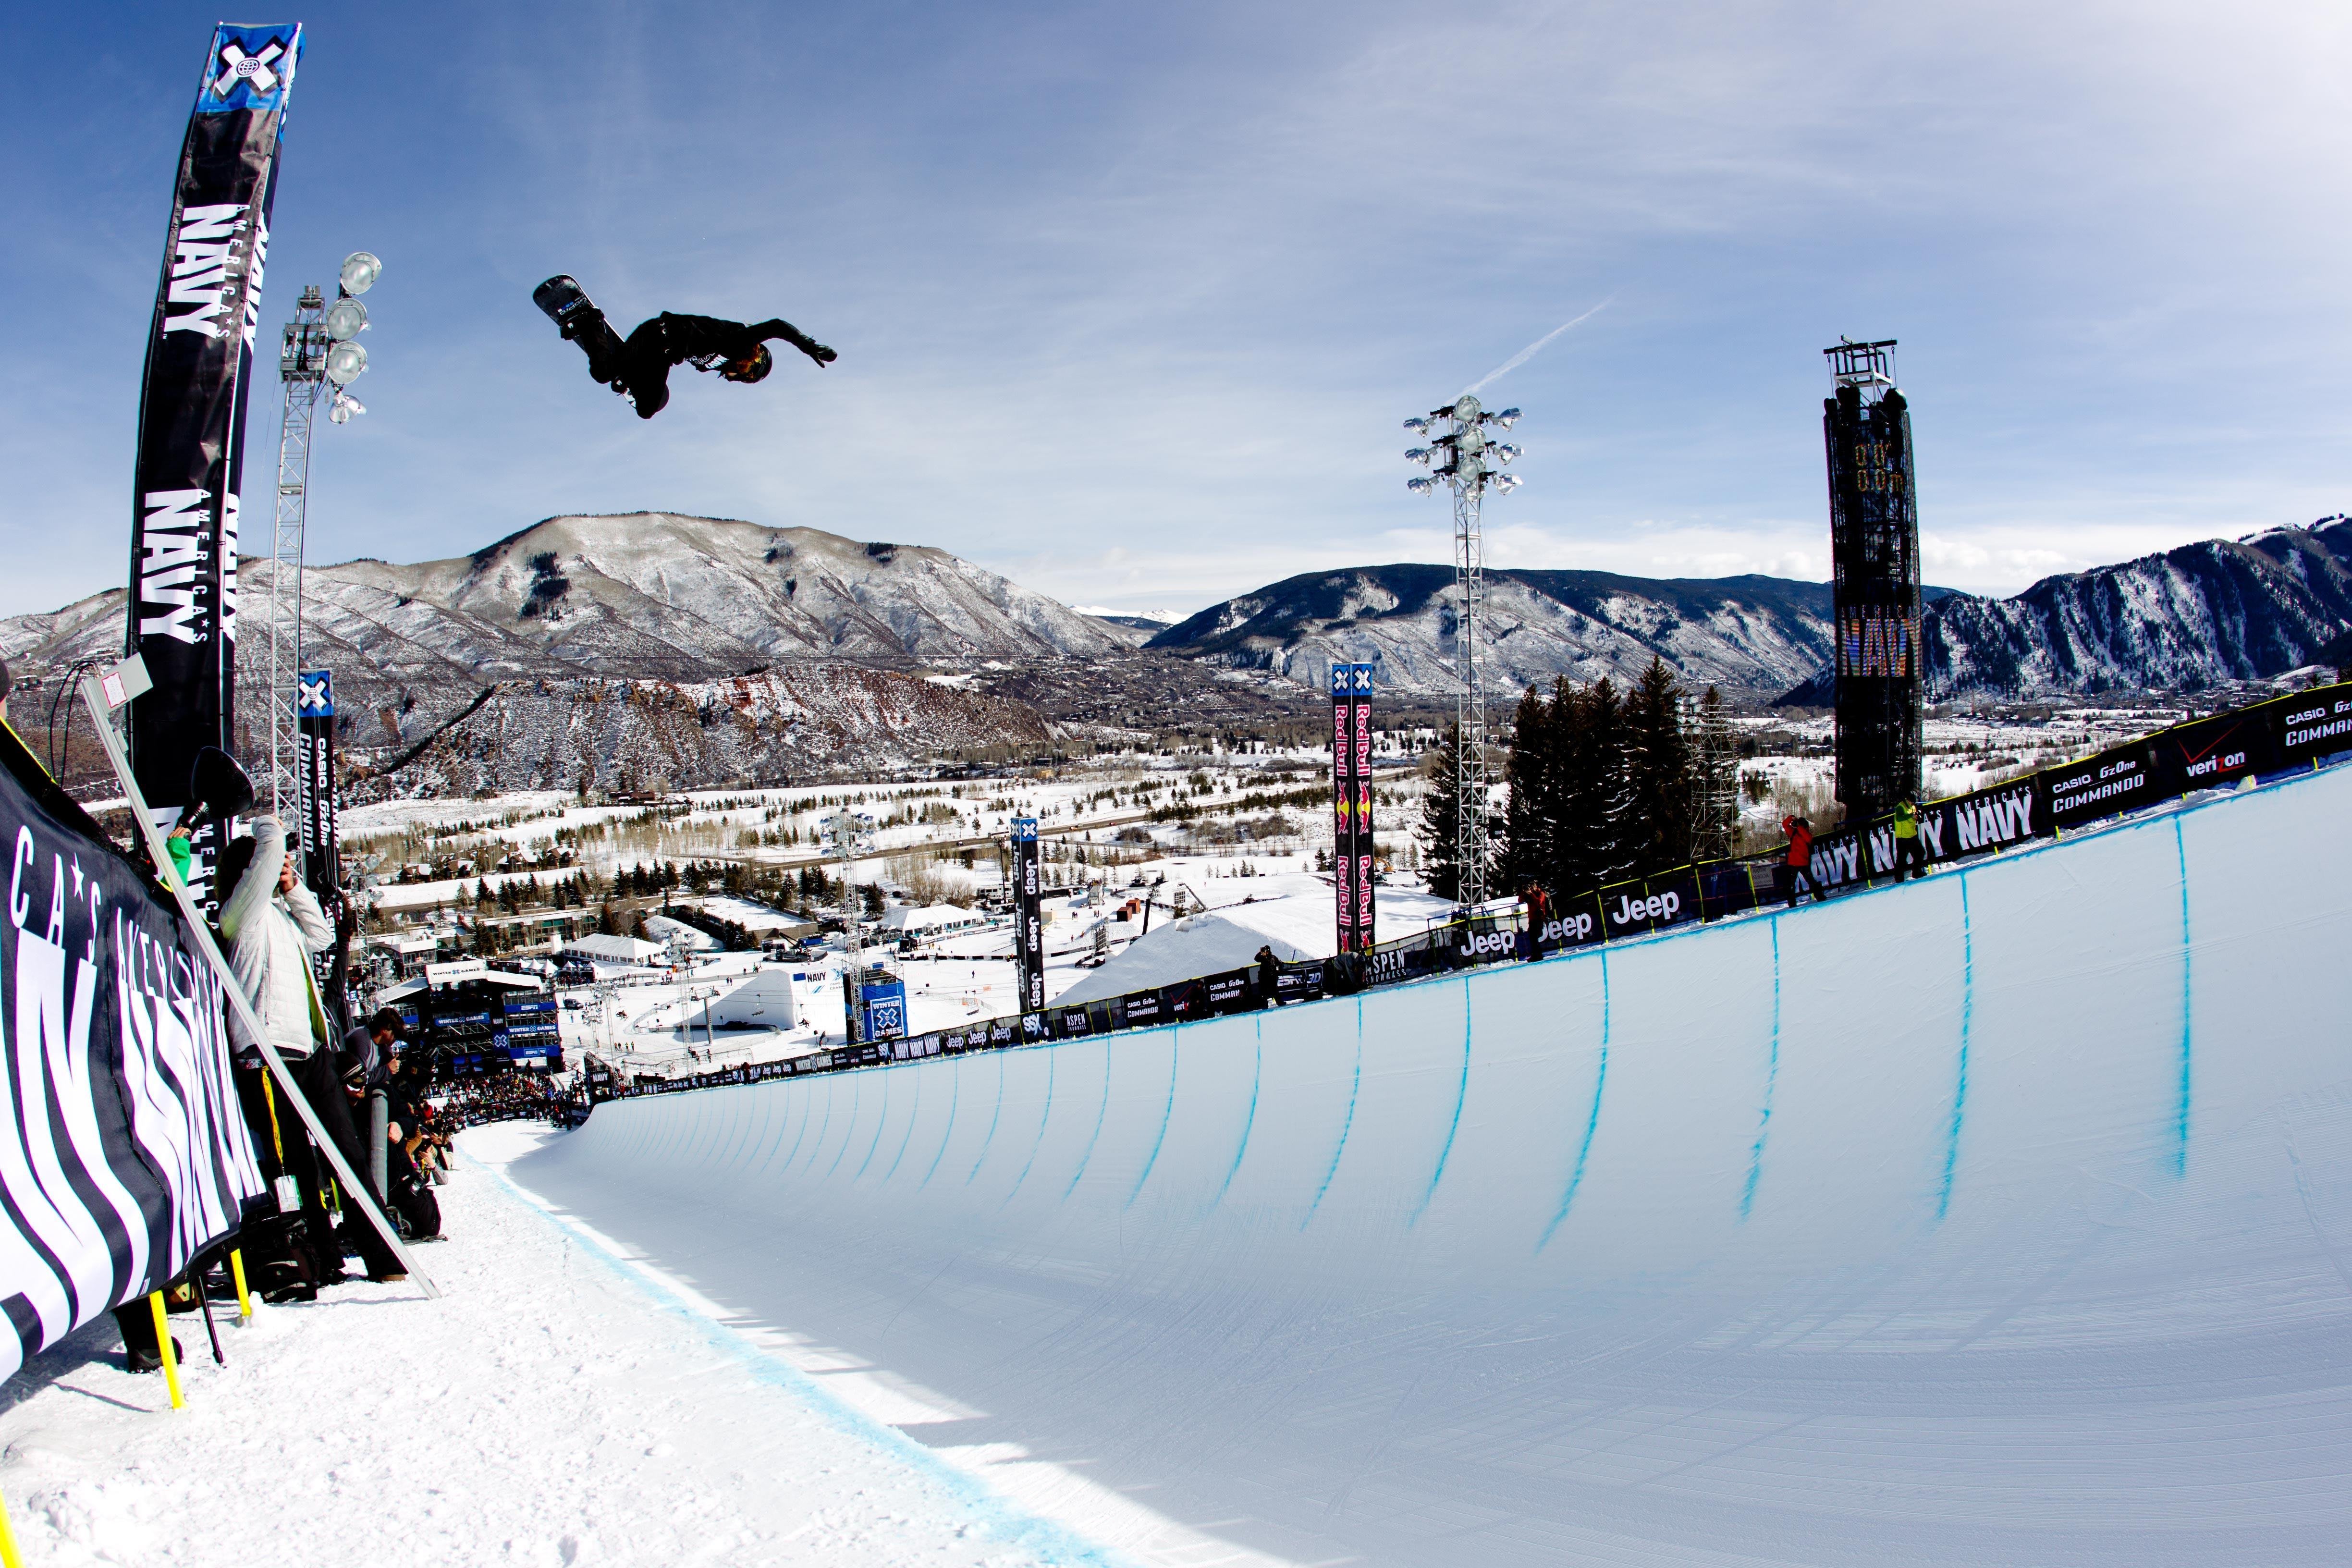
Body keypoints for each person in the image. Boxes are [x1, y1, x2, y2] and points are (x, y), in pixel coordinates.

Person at [220, 818, 406, 1284]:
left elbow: (322, 937)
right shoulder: (238, 914)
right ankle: (318, 1256)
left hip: (310, 1050)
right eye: (273, 865)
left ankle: (382, 1253)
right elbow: (262, 867)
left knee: (349, 1153)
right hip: (266, 1052)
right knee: (296, 1162)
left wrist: (295, 885)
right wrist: (270, 829)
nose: (279, 869)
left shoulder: (279, 914)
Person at [563, 305, 835, 419]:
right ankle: (590, 320)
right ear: (751, 363)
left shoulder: (719, 364)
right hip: (657, 335)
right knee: (604, 372)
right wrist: (809, 346)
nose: (736, 378)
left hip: (663, 356)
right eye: (746, 375)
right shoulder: (737, 342)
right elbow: (777, 326)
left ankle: (630, 375)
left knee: (647, 410)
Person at [1782, 814, 1825, 906]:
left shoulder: (1806, 834)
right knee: (1794, 884)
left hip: (1799, 863)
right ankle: (1793, 904)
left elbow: (1806, 837)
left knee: (1809, 882)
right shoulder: (1796, 832)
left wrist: (1797, 826)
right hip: (1798, 863)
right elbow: (1785, 824)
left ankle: (1820, 897)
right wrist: (1791, 818)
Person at [1891, 799, 1927, 882]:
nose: (1912, 803)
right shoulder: (1900, 807)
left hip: (1912, 835)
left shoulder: (1913, 806)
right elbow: (1899, 818)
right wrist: (1911, 816)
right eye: (1911, 801)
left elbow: (1915, 816)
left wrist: (1917, 816)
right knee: (1901, 860)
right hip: (1902, 838)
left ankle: (1917, 873)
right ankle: (1899, 880)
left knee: (1920, 853)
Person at [1255, 944, 1282, 1008]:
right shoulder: (1263, 957)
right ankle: (1265, 1005)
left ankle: (1280, 1003)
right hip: (1263, 979)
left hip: (1271, 978)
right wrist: (1260, 952)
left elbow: (1273, 963)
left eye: (1266, 951)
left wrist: (1277, 970)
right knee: (1264, 993)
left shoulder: (1272, 957)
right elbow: (1256, 959)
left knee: (1275, 991)